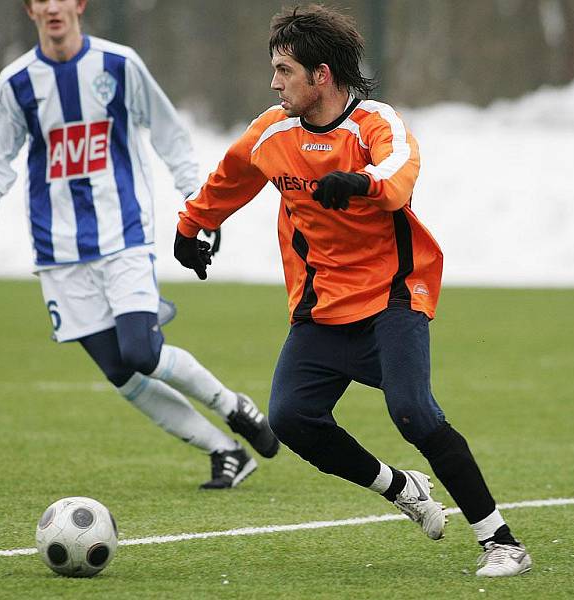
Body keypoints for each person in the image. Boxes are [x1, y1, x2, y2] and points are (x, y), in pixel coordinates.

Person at [175, 4, 531, 577]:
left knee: (413, 413)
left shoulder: (375, 124)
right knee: (291, 418)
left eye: (285, 70)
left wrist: (360, 180)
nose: (274, 82)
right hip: (321, 307)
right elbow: (231, 177)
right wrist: (191, 225)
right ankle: (400, 488)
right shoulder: (272, 131)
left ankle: (502, 542)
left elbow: (400, 173)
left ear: (322, 75)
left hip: (394, 295)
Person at [0, 0, 278, 489]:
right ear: (30, 10)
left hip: (122, 235)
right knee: (121, 373)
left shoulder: (119, 65)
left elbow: (169, 132)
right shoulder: (16, 83)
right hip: (59, 252)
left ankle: (232, 406)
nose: (51, 6)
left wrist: (197, 199)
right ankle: (224, 451)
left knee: (140, 352)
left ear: (79, 5)